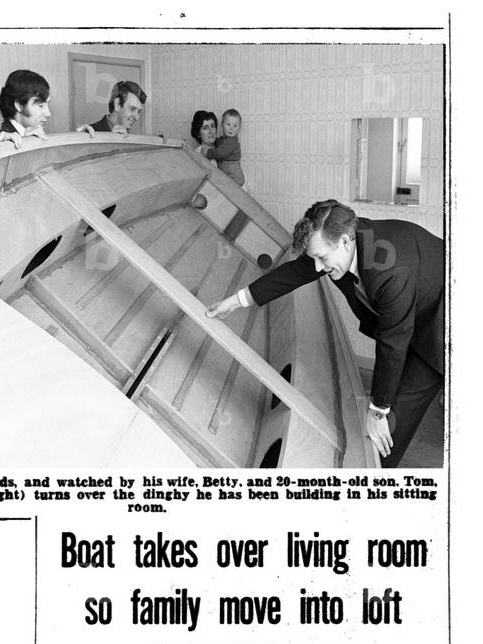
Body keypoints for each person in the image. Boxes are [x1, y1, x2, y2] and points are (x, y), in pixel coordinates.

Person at [206, 199, 444, 468]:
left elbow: (393, 343)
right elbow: (295, 272)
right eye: (315, 257)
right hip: (411, 321)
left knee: (389, 419)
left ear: (344, 242)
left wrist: (377, 412)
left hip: (441, 324)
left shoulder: (390, 270)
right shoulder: (342, 242)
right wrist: (235, 301)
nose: (318, 268)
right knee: (391, 413)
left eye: (322, 258)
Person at [0, 69, 51, 145]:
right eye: (40, 105)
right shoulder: (2, 138)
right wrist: (25, 140)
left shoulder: (36, 133)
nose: (48, 113)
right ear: (19, 105)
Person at [77, 80, 147, 137]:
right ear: (117, 105)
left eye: (138, 111)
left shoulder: (131, 138)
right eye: (132, 109)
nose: (137, 117)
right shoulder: (89, 133)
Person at [200, 108, 245, 187]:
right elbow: (219, 142)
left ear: (239, 128)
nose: (231, 128)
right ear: (222, 125)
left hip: (234, 175)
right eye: (228, 124)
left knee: (230, 192)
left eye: (235, 125)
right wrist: (213, 141)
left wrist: (208, 152)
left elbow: (220, 153)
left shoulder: (232, 142)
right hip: (228, 174)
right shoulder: (225, 140)